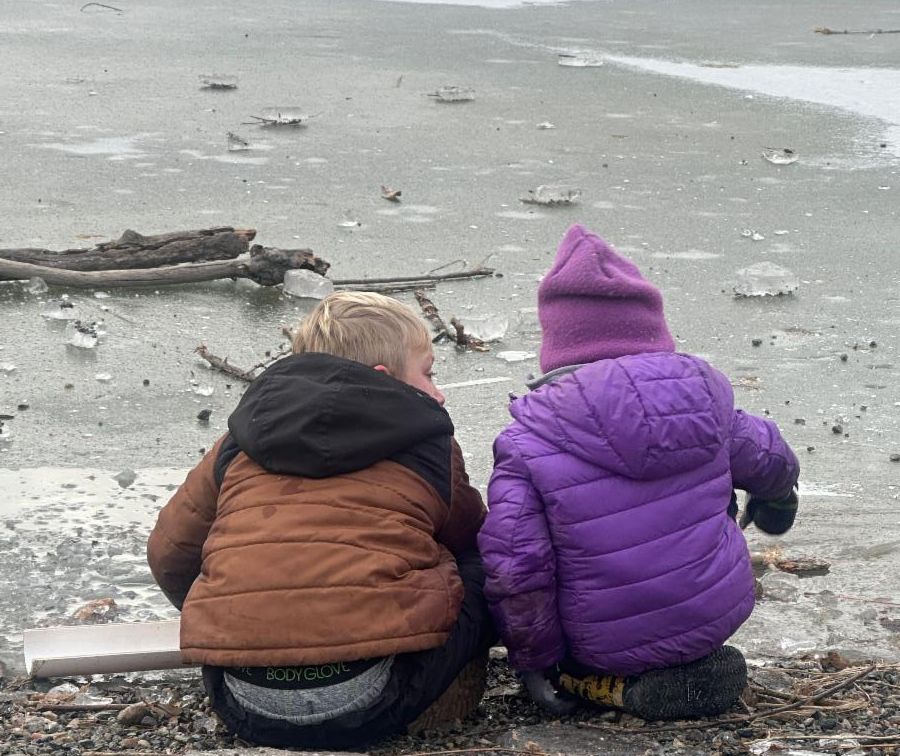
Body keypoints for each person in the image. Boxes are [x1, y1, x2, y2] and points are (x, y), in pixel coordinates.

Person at [478, 225, 799, 721]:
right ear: (654, 330)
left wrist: (535, 662)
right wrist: (779, 501)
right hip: (714, 612)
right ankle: (686, 671)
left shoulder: (527, 441)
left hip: (601, 640)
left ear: (556, 344)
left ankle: (596, 684)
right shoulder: (706, 404)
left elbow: (518, 565)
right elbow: (772, 456)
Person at [147, 291, 493, 749]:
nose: (438, 393)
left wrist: (241, 618)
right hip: (374, 701)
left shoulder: (238, 443)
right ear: (385, 379)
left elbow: (169, 555)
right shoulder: (429, 446)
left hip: (242, 701)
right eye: (428, 374)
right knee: (477, 563)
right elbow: (475, 538)